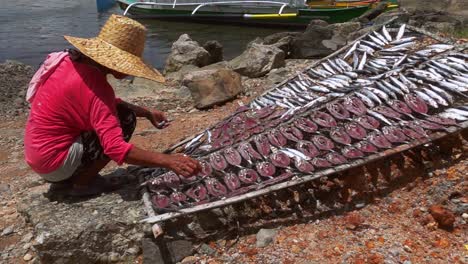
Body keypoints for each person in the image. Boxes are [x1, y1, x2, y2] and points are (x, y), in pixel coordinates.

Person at [24, 15, 201, 197]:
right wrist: (169, 161)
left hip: (39, 156)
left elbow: (100, 105)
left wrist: (146, 112)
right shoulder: (97, 88)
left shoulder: (67, 62)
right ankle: (82, 184)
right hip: (56, 164)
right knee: (125, 118)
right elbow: (115, 148)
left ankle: (71, 178)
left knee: (122, 112)